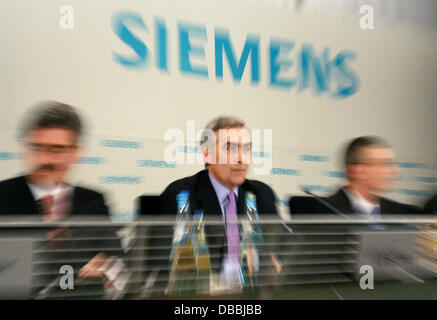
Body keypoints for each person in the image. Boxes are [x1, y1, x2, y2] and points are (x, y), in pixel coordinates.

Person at [0, 101, 127, 297]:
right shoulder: (3, 195)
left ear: (75, 152)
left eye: (56, 150)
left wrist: (107, 268)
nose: (45, 160)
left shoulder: (93, 201)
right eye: (37, 147)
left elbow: (118, 261)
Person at [159, 116, 281, 291]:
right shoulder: (182, 194)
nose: (241, 158)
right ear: (207, 153)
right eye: (231, 149)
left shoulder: (261, 194)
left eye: (247, 149)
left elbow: (281, 243)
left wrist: (276, 260)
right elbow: (159, 261)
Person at [324, 136, 421, 215]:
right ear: (360, 171)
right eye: (387, 164)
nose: (396, 170)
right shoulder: (323, 212)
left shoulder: (406, 214)